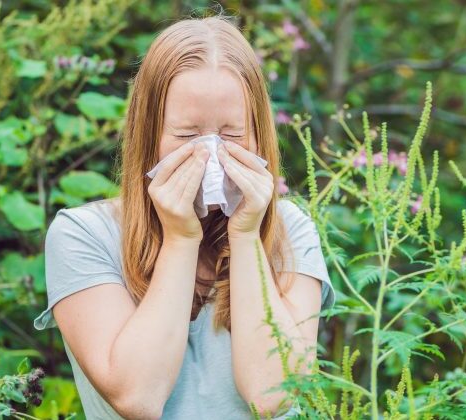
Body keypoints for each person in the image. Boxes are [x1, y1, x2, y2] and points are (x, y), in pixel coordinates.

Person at [33, 14, 336, 419]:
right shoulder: (84, 234)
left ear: (258, 134)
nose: (210, 153)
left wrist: (246, 236)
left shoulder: (290, 230)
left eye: (231, 134)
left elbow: (272, 397)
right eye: (187, 135)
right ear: (149, 134)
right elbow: (137, 399)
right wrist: (180, 238)